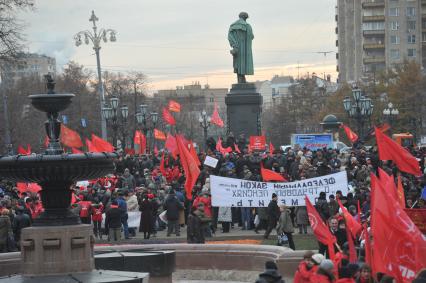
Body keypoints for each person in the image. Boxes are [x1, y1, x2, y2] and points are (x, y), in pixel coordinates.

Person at [228, 12, 254, 84]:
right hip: (244, 48)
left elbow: (230, 37)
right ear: (245, 18)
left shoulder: (232, 26)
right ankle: (241, 80)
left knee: (238, 63)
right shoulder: (247, 26)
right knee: (243, 63)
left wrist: (234, 45)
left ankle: (241, 80)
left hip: (236, 47)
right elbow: (251, 36)